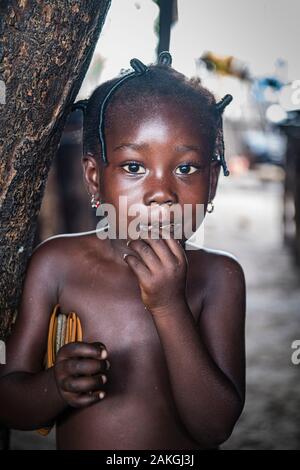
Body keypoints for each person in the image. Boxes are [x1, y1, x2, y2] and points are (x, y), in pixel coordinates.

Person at [0, 52, 246, 450]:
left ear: (213, 181)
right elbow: (9, 401)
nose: (162, 193)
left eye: (186, 168)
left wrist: (168, 306)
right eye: (134, 167)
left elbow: (214, 426)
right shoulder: (57, 265)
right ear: (95, 179)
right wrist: (55, 386)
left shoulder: (220, 277)